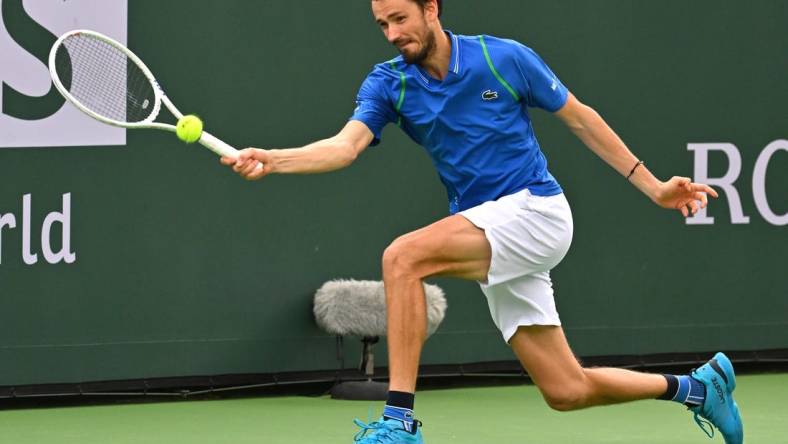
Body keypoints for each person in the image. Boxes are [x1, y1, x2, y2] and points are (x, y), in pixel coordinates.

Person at [221, 0, 743, 442]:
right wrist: (275, 158)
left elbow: (581, 117)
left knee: (402, 258)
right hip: (488, 227)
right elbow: (344, 146)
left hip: (536, 212)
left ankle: (399, 420)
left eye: (401, 19)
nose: (393, 34)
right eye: (382, 25)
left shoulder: (503, 58)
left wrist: (653, 186)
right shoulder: (388, 83)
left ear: (432, 9)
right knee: (566, 390)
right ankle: (696, 387)